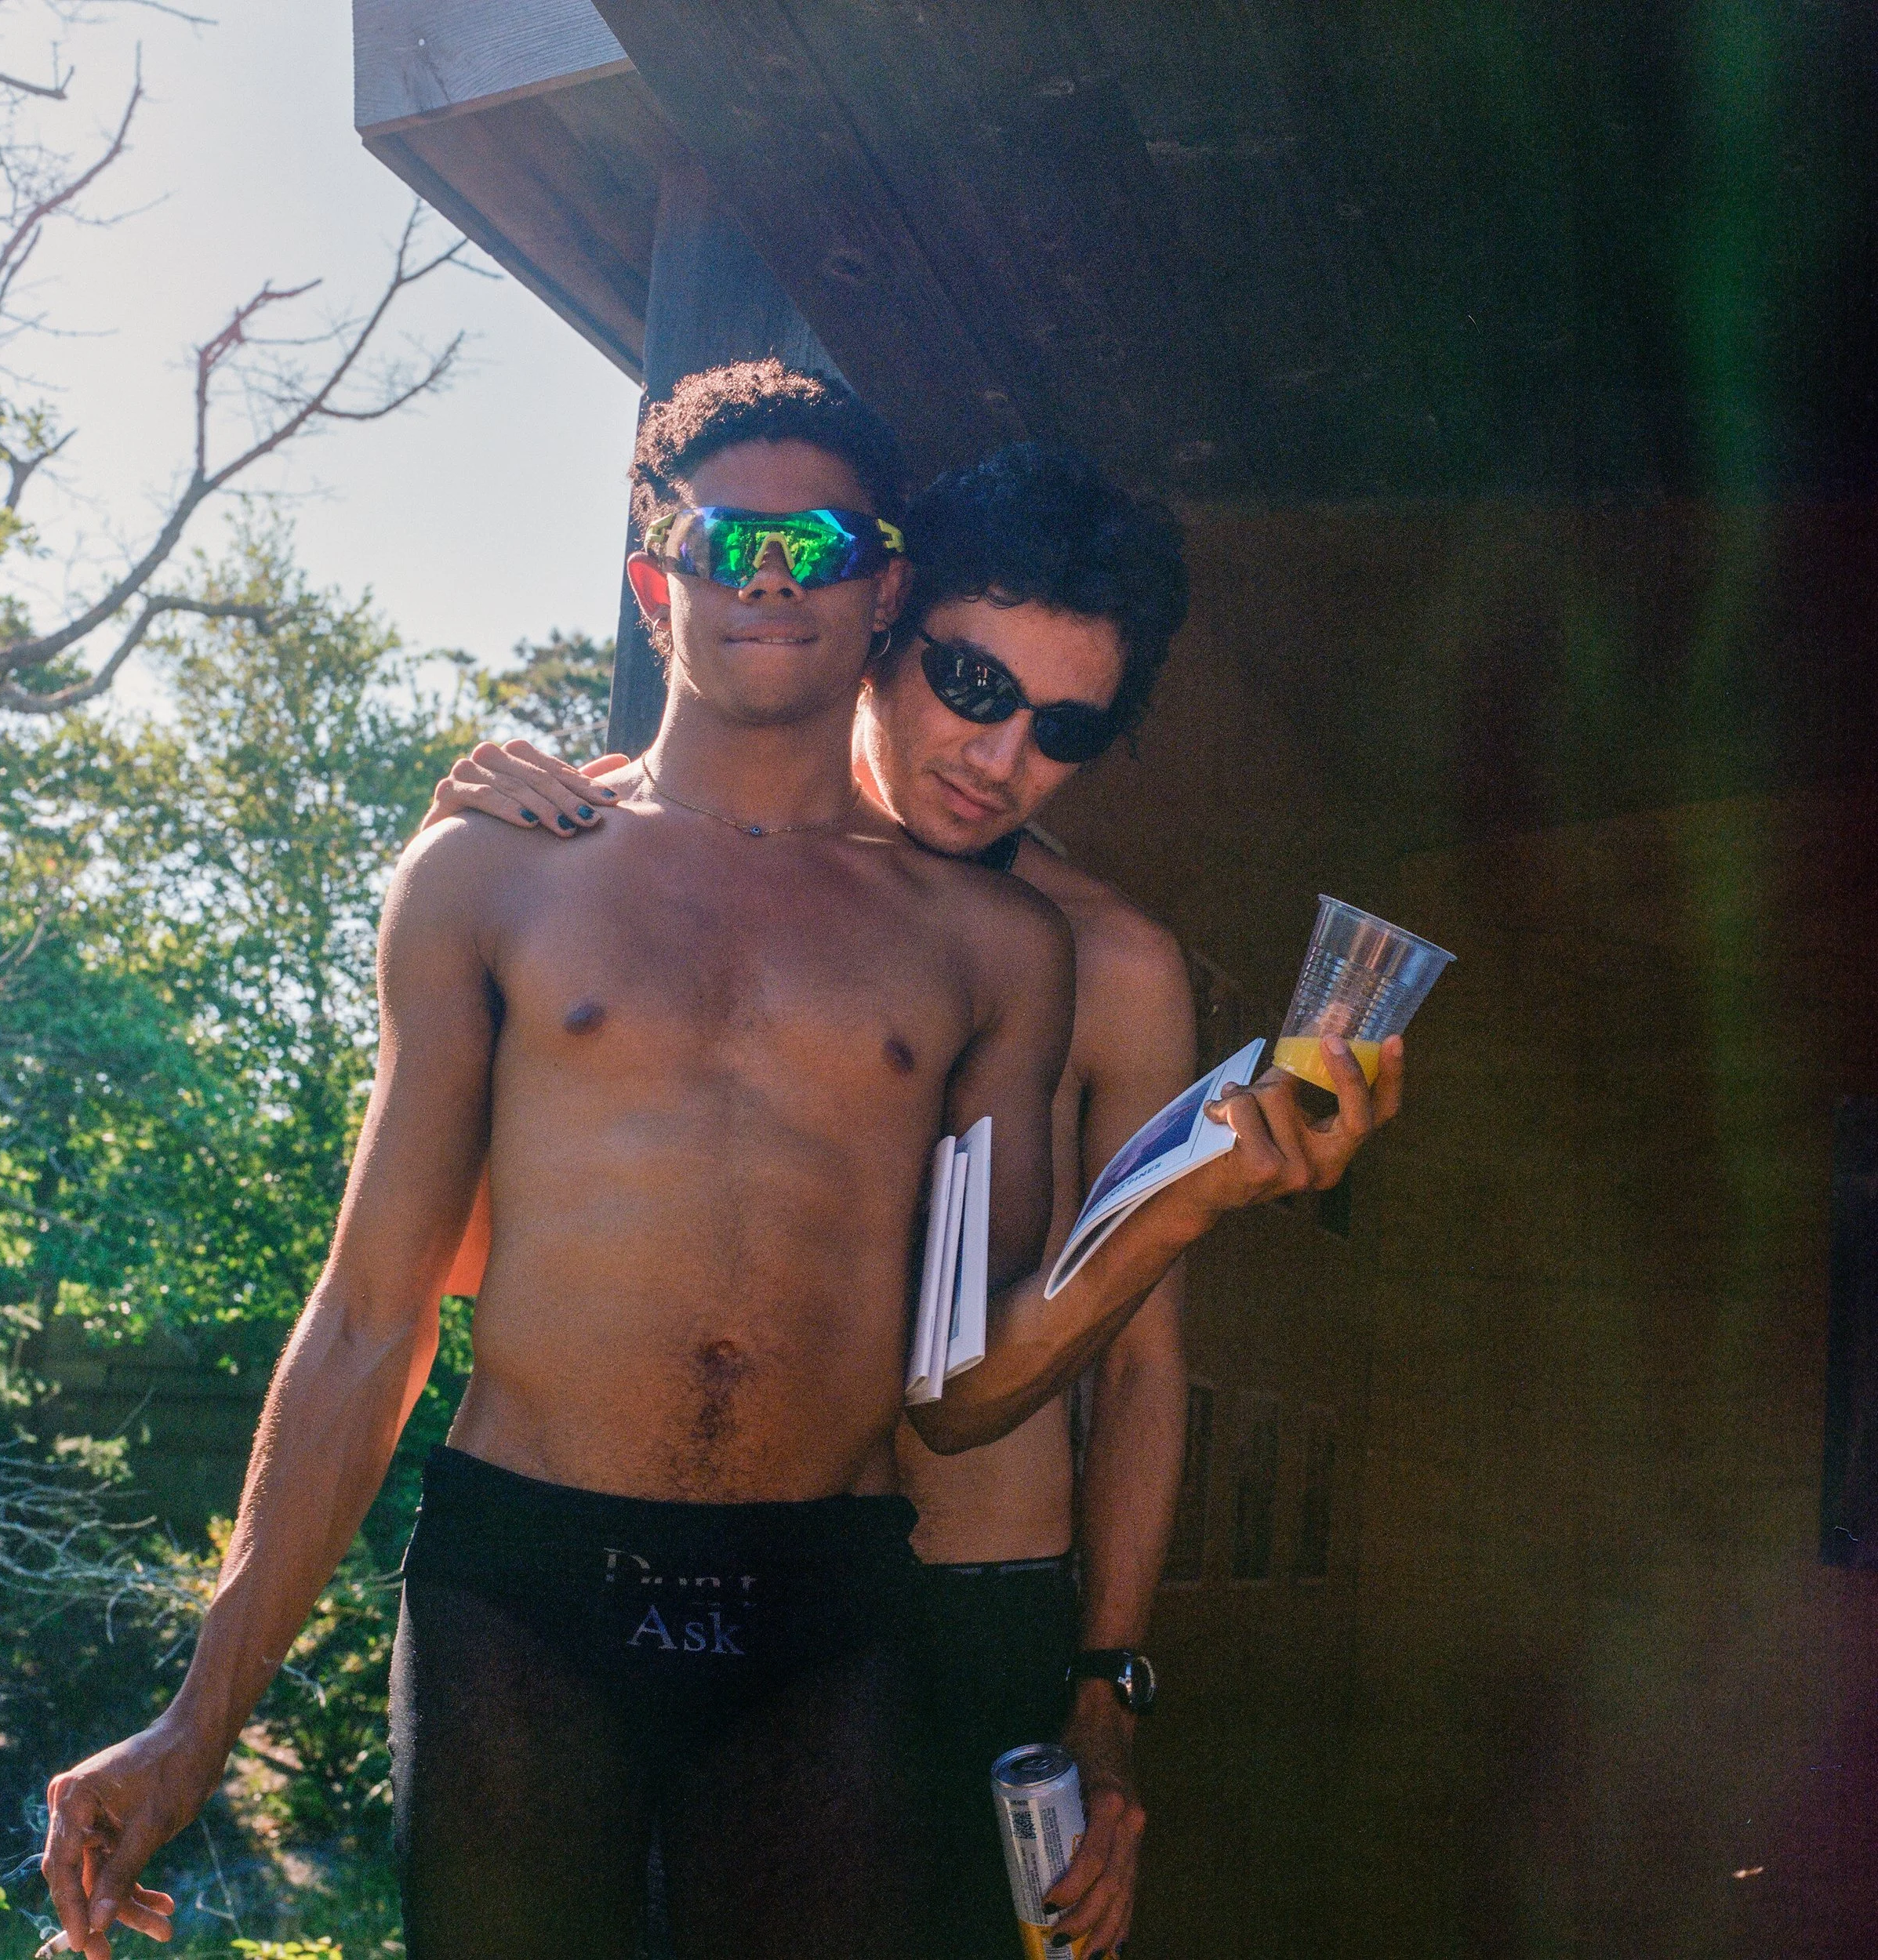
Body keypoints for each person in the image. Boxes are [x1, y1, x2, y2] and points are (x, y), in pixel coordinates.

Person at [42, 362, 1078, 1960]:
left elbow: (970, 1373)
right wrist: (196, 1715)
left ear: (884, 585)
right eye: (736, 540)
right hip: (518, 1593)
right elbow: (370, 1312)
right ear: (654, 574)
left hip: (828, 1599)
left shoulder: (993, 944)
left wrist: (1195, 1197)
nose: (776, 583)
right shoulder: (487, 877)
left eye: (824, 545)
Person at [426, 442, 1405, 1958]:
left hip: (975, 1610)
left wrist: (1108, 1684)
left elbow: (1144, 1370)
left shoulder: (1109, 960)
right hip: (686, 1577)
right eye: (971, 681)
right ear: (883, 625)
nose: (1000, 756)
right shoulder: (608, 853)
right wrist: (485, 810)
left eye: (1066, 727)